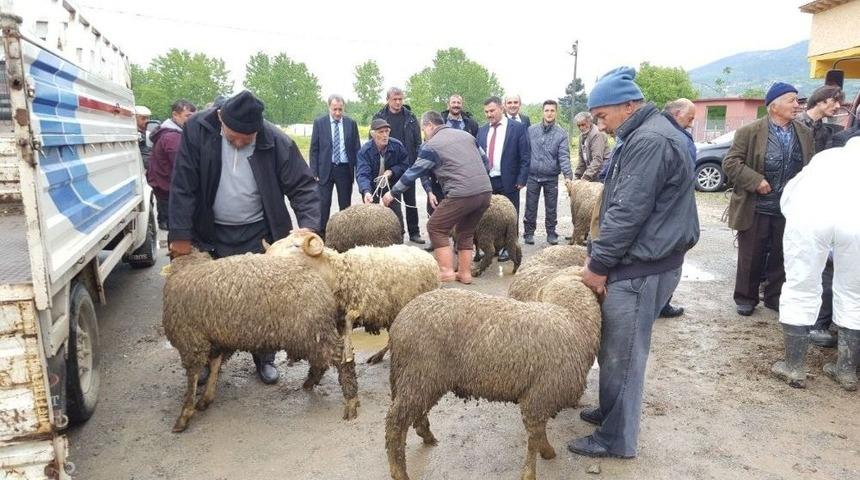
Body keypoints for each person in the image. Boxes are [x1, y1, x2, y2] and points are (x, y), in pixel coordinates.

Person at [568, 66, 699, 459]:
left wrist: (598, 263)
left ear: (628, 105)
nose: (599, 125)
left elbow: (628, 209)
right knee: (614, 348)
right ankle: (611, 413)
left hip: (642, 266)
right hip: (643, 258)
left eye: (602, 116)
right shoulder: (642, 133)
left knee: (624, 354)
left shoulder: (650, 140)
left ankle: (616, 438)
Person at [168, 90, 320, 385]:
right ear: (221, 118)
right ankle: (206, 360)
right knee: (209, 302)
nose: (239, 143)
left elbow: (303, 186)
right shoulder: (197, 130)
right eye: (233, 136)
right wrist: (180, 235)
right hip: (209, 231)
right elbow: (183, 184)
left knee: (263, 302)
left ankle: (264, 357)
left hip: (258, 232)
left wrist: (309, 226)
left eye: (246, 139)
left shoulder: (275, 140)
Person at [772, 137, 860, 391]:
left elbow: (789, 197)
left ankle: (794, 366)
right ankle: (846, 371)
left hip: (810, 219)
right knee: (854, 293)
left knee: (801, 286)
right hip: (856, 226)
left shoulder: (826, 158)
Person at [723, 82, 813, 316]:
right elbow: (731, 163)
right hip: (756, 207)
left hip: (789, 209)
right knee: (751, 255)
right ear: (774, 106)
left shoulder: (804, 133)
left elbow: (809, 166)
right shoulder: (750, 131)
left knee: (782, 255)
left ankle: (775, 297)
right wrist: (756, 181)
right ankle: (745, 297)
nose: (797, 105)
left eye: (797, 101)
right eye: (792, 100)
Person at [382, 111, 491, 284]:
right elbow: (486, 163)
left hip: (461, 193)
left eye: (423, 129)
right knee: (466, 231)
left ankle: (446, 272)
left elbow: (413, 173)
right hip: (485, 192)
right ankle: (465, 274)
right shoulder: (466, 136)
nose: (424, 134)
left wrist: (392, 193)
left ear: (429, 126)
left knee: (436, 227)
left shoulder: (431, 145)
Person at [655, 98, 699, 319]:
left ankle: (660, 301)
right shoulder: (675, 137)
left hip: (668, 208)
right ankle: (662, 302)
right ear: (677, 113)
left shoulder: (661, 130)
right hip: (672, 208)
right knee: (670, 255)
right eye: (689, 118)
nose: (691, 124)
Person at [476, 96, 531, 261]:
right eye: (486, 112)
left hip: (510, 180)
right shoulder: (482, 130)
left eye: (492, 111)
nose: (489, 114)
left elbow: (526, 156)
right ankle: (487, 248)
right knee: (486, 216)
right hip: (488, 180)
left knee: (510, 216)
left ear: (501, 108)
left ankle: (510, 248)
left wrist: (522, 179)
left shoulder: (518, 128)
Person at [373, 87, 425, 244]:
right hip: (387, 166)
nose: (398, 102)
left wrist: (417, 161)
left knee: (410, 200)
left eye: (400, 99)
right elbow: (374, 141)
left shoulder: (410, 117)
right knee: (390, 201)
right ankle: (394, 233)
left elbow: (418, 142)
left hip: (407, 165)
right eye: (395, 99)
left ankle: (414, 232)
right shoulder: (379, 116)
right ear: (388, 99)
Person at [310, 94, 361, 237]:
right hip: (325, 169)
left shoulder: (351, 123)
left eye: (340, 109)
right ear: (329, 108)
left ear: (343, 108)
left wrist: (359, 171)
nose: (338, 113)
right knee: (323, 205)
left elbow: (357, 148)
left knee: (345, 205)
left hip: (344, 169)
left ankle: (344, 235)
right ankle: (321, 235)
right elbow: (314, 148)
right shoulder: (320, 123)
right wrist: (313, 171)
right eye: (335, 109)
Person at [523, 99, 572, 246]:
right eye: (547, 110)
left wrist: (568, 176)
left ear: (556, 112)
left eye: (552, 110)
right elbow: (525, 152)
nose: (549, 113)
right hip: (533, 175)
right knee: (530, 206)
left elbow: (564, 156)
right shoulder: (531, 130)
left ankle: (551, 233)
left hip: (551, 177)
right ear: (542, 112)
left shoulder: (561, 133)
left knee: (551, 207)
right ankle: (529, 233)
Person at [146, 100, 197, 230]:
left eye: (193, 116)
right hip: (168, 187)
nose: (191, 120)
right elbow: (180, 166)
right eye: (187, 116)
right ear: (175, 115)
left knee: (170, 224)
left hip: (164, 185)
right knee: (175, 228)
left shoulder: (169, 132)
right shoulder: (172, 137)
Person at [356, 119, 409, 230]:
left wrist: (392, 171)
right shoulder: (365, 151)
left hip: (391, 184)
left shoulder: (397, 146)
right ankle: (372, 240)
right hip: (372, 186)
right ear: (372, 134)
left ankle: (399, 238)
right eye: (381, 132)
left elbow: (405, 165)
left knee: (395, 215)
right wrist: (366, 191)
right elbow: (362, 174)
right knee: (370, 216)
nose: (385, 135)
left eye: (387, 131)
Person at [798, 85, 844, 154]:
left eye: (839, 102)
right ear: (819, 101)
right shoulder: (795, 124)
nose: (838, 106)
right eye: (834, 101)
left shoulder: (825, 132)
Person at [573, 111, 611, 181]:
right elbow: (581, 159)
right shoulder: (582, 136)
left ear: (590, 122)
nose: (581, 128)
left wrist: (586, 176)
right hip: (593, 171)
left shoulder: (598, 134)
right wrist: (577, 176)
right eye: (579, 125)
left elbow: (597, 159)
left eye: (583, 124)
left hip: (603, 172)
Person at [135, 105, 152, 169]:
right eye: (143, 118)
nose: (146, 121)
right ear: (135, 119)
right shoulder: (136, 134)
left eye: (148, 118)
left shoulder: (148, 132)